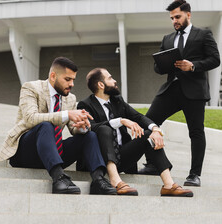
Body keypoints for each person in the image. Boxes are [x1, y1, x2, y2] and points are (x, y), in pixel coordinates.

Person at [0, 57, 116, 195]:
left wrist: (82, 126)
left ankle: (98, 180)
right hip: (26, 152)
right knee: (46, 126)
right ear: (53, 76)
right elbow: (30, 118)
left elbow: (73, 129)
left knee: (89, 135)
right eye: (67, 79)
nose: (71, 84)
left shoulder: (70, 98)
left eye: (73, 80)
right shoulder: (31, 88)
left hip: (52, 153)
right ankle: (59, 178)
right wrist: (66, 114)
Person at [139, 0, 220, 188]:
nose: (174, 20)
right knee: (148, 122)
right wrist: (161, 64)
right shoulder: (167, 39)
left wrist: (193, 66)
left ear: (188, 15)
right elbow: (158, 67)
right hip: (171, 89)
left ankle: (194, 175)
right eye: (172, 18)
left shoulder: (203, 34)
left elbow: (215, 59)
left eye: (177, 16)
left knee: (196, 132)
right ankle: (153, 164)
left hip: (194, 91)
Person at [77, 68, 193, 197]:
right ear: (101, 84)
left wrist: (155, 129)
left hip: (121, 157)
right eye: (110, 78)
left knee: (149, 134)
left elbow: (139, 117)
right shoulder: (85, 105)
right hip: (99, 160)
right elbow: (90, 128)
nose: (115, 81)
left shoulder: (117, 101)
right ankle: (116, 181)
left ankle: (169, 185)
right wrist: (120, 121)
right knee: (105, 129)